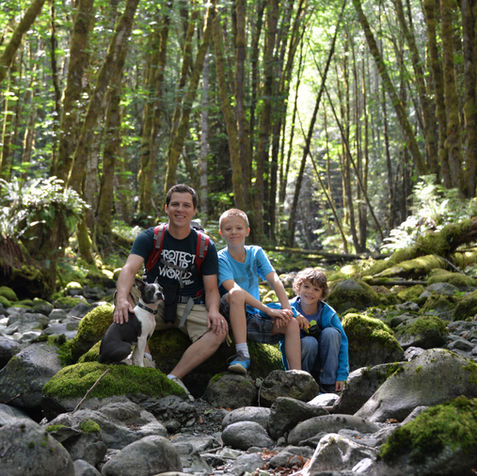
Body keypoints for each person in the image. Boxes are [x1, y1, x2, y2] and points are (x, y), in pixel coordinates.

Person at [113, 184, 228, 399]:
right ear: (166, 208)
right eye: (175, 204)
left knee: (219, 330)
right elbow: (128, 269)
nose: (180, 210)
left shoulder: (205, 245)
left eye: (186, 205)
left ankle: (173, 378)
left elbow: (212, 288)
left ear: (194, 210)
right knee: (125, 294)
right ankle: (145, 359)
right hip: (152, 304)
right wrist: (121, 299)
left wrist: (214, 311)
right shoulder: (150, 237)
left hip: (189, 305)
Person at [217, 208, 302, 374]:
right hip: (229, 312)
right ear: (221, 233)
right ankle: (242, 355)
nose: (234, 232)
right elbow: (234, 290)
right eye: (228, 229)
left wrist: (287, 310)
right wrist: (269, 311)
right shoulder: (221, 258)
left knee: (291, 323)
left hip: (251, 316)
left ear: (247, 231)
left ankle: (296, 374)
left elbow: (274, 280)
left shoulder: (256, 252)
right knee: (236, 293)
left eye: (239, 228)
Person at [289, 267, 349, 394]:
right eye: (306, 286)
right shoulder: (289, 306)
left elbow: (343, 343)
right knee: (310, 342)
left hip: (324, 361)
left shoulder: (328, 313)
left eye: (316, 289)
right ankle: (304, 382)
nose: (310, 292)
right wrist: (294, 315)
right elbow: (269, 308)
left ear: (322, 294)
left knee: (331, 333)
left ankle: (328, 384)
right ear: (298, 287)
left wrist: (342, 375)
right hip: (302, 358)